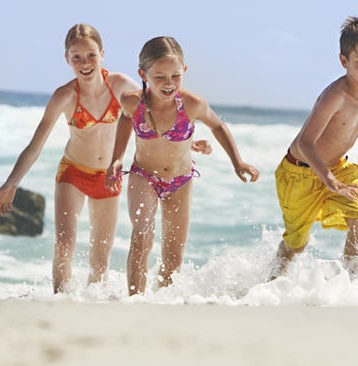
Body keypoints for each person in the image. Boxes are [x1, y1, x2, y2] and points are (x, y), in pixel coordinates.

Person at [0, 24, 211, 293]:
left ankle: (94, 308)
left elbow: (159, 111)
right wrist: (12, 183)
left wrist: (189, 143)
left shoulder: (120, 86)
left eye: (91, 56)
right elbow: (35, 145)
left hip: (108, 180)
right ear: (67, 59)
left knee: (100, 260)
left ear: (102, 54)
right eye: (77, 57)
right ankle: (61, 301)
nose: (85, 63)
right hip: (73, 173)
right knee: (64, 244)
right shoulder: (65, 96)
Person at [106, 36, 260, 296]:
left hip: (180, 181)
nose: (168, 84)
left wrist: (238, 161)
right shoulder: (133, 102)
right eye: (160, 77)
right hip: (144, 175)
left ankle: (165, 300)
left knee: (174, 250)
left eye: (175, 76)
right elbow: (125, 119)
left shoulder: (191, 104)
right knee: (142, 235)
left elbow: (218, 126)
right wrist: (117, 157)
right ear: (143, 74)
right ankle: (135, 299)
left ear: (184, 72)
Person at [269, 15, 358, 280]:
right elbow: (305, 143)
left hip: (337, 168)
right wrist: (328, 179)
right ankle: (269, 284)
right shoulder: (335, 95)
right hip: (299, 172)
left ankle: (351, 284)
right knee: (296, 243)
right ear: (344, 61)